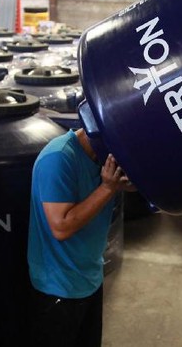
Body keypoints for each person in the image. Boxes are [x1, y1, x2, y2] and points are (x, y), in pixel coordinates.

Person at [27, 127, 135, 347]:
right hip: (59, 286)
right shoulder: (58, 158)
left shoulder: (102, 154)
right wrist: (107, 188)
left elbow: (131, 183)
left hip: (90, 276)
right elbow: (61, 227)